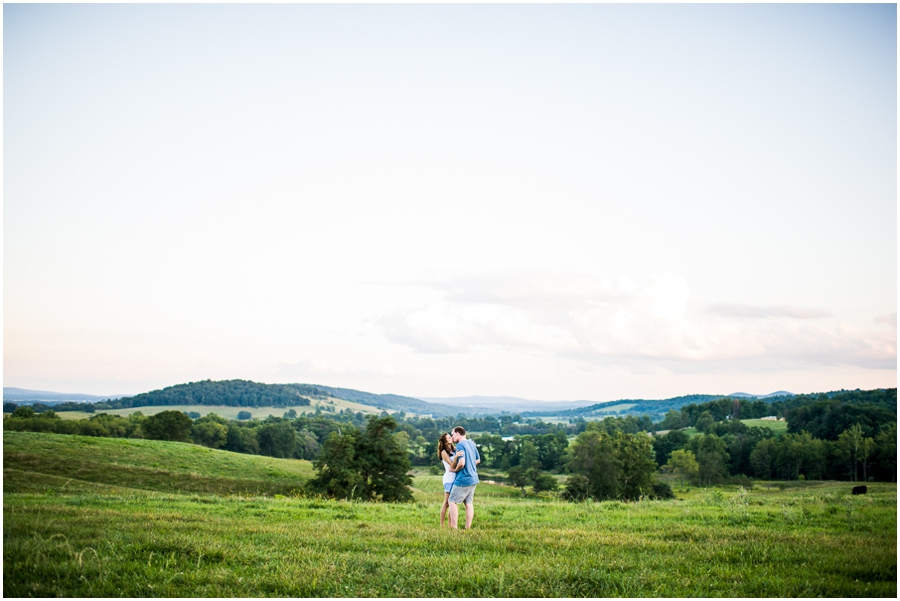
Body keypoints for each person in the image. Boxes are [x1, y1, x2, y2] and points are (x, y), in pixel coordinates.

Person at [447, 426, 480, 529]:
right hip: (474, 478)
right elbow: (478, 460)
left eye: (452, 435)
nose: (452, 438)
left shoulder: (460, 445)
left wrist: (455, 470)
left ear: (457, 433)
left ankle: (454, 528)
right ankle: (467, 528)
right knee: (468, 503)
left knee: (452, 501)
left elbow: (461, 463)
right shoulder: (472, 443)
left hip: (463, 478)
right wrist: (470, 466)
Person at [437, 433, 459, 527]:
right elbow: (452, 465)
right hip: (449, 478)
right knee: (446, 503)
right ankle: (442, 525)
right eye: (449, 437)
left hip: (455, 478)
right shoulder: (444, 452)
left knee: (452, 502)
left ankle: (450, 524)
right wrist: (457, 457)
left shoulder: (454, 450)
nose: (451, 438)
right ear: (446, 441)